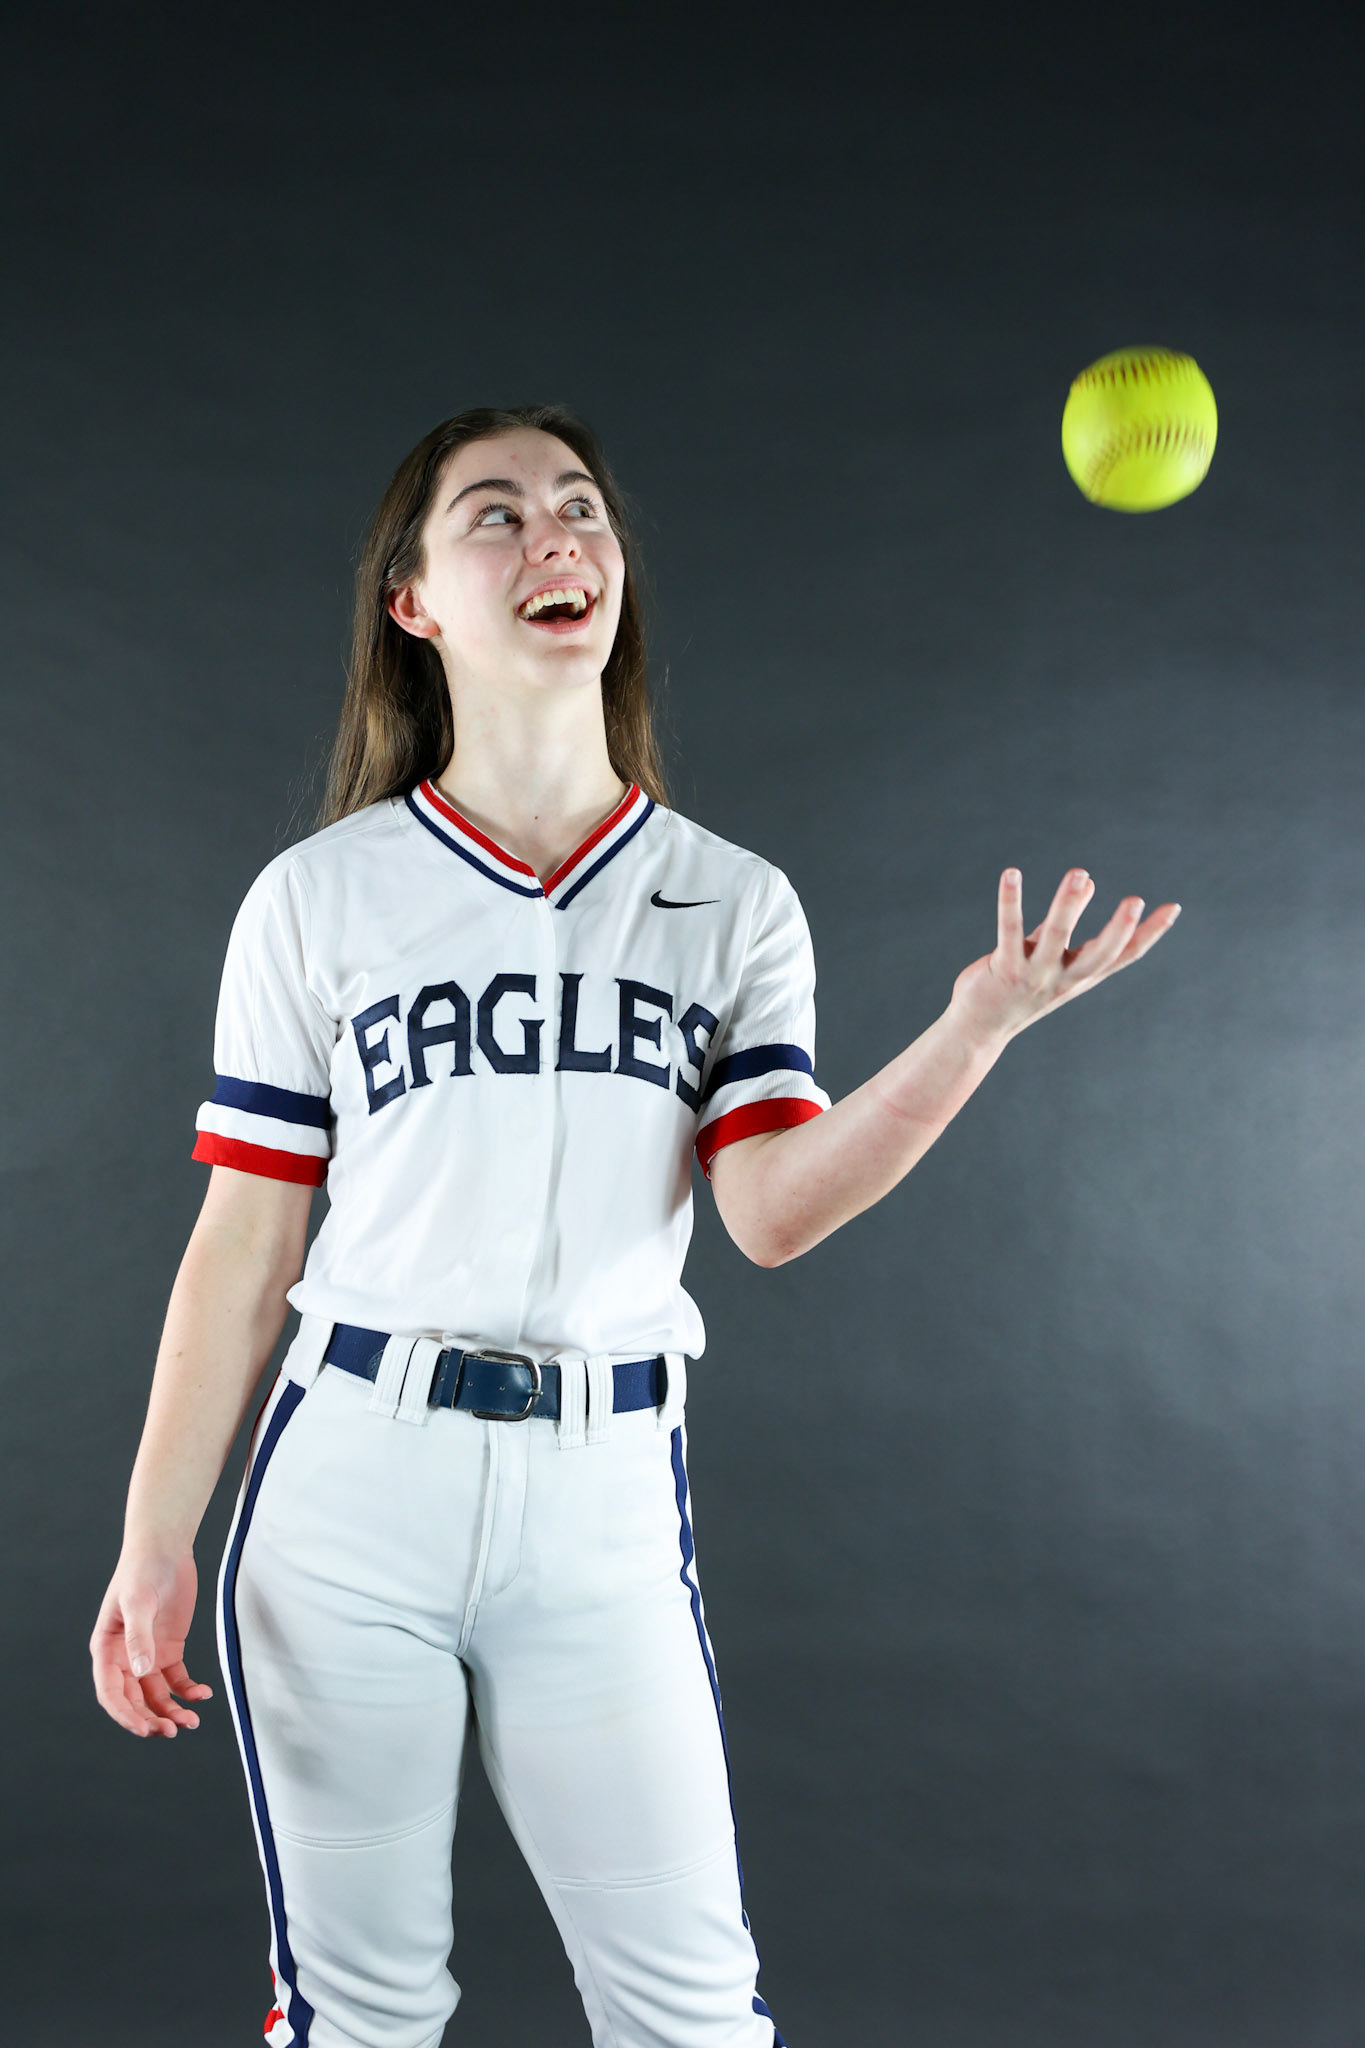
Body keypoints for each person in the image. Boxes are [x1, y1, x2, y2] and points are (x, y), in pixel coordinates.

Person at [90, 402, 1181, 2048]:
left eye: (582, 509)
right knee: (360, 2014)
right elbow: (244, 1243)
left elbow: (770, 1214)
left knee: (689, 2016)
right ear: (415, 604)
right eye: (498, 513)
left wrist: (971, 1034)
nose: (558, 539)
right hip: (346, 1487)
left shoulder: (729, 900)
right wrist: (154, 1534)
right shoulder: (318, 898)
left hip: (600, 1499)